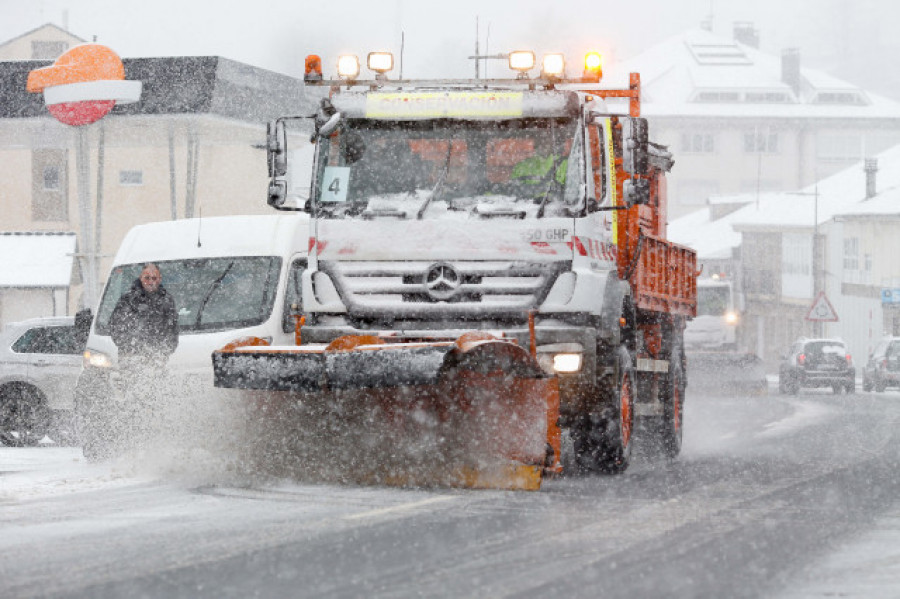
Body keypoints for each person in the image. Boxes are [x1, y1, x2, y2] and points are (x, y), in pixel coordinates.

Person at [109, 263, 178, 366]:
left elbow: (173, 329)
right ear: (141, 278)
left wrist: (164, 352)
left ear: (159, 279)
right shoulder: (128, 300)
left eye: (154, 278)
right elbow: (116, 327)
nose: (150, 282)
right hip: (131, 361)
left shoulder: (167, 300)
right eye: (147, 278)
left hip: (158, 362)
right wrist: (130, 348)